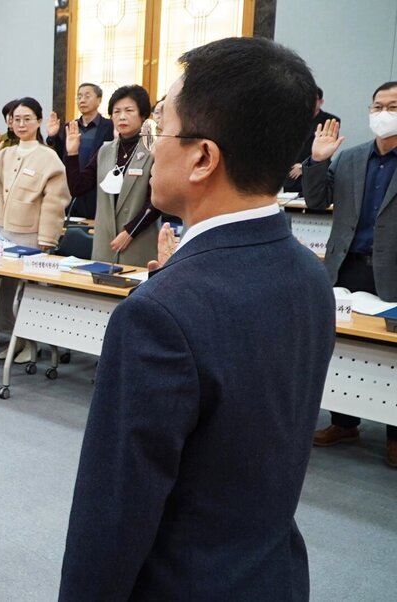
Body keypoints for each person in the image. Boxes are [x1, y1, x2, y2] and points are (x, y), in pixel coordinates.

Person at [58, 37, 336, 600]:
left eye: (162, 126)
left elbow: (113, 511)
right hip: (268, 574)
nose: (153, 146)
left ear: (204, 156)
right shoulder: (309, 275)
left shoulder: (160, 312)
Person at [304, 82, 397, 466]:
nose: (384, 112)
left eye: (393, 106)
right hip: (346, 267)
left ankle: (395, 435)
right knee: (340, 345)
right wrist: (318, 161)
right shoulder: (353, 157)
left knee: (392, 355)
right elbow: (315, 200)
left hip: (391, 271)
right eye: (378, 105)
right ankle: (344, 422)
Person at [0, 97, 69, 363]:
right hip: (4, 234)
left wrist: (46, 239)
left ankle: (31, 342)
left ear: (38, 121)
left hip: (31, 235)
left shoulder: (47, 157)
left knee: (26, 295)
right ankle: (15, 339)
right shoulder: (5, 153)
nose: (20, 124)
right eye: (16, 119)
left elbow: (55, 202)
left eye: (27, 118)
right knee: (2, 295)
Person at [62, 85, 160, 267]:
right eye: (116, 111)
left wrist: (130, 232)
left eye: (129, 110)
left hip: (138, 241)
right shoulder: (105, 150)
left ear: (143, 115)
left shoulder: (154, 150)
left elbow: (156, 201)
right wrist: (73, 153)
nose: (122, 116)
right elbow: (78, 187)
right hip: (105, 243)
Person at [46, 83, 114, 218]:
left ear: (99, 100)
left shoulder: (109, 127)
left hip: (96, 189)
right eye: (79, 96)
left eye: (87, 96)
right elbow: (62, 155)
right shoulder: (71, 126)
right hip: (71, 186)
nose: (82, 100)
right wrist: (53, 136)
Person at [284, 86, 340, 194]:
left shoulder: (330, 121)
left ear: (321, 101)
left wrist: (303, 166)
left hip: (315, 173)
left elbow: (327, 150)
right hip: (291, 174)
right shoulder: (293, 119)